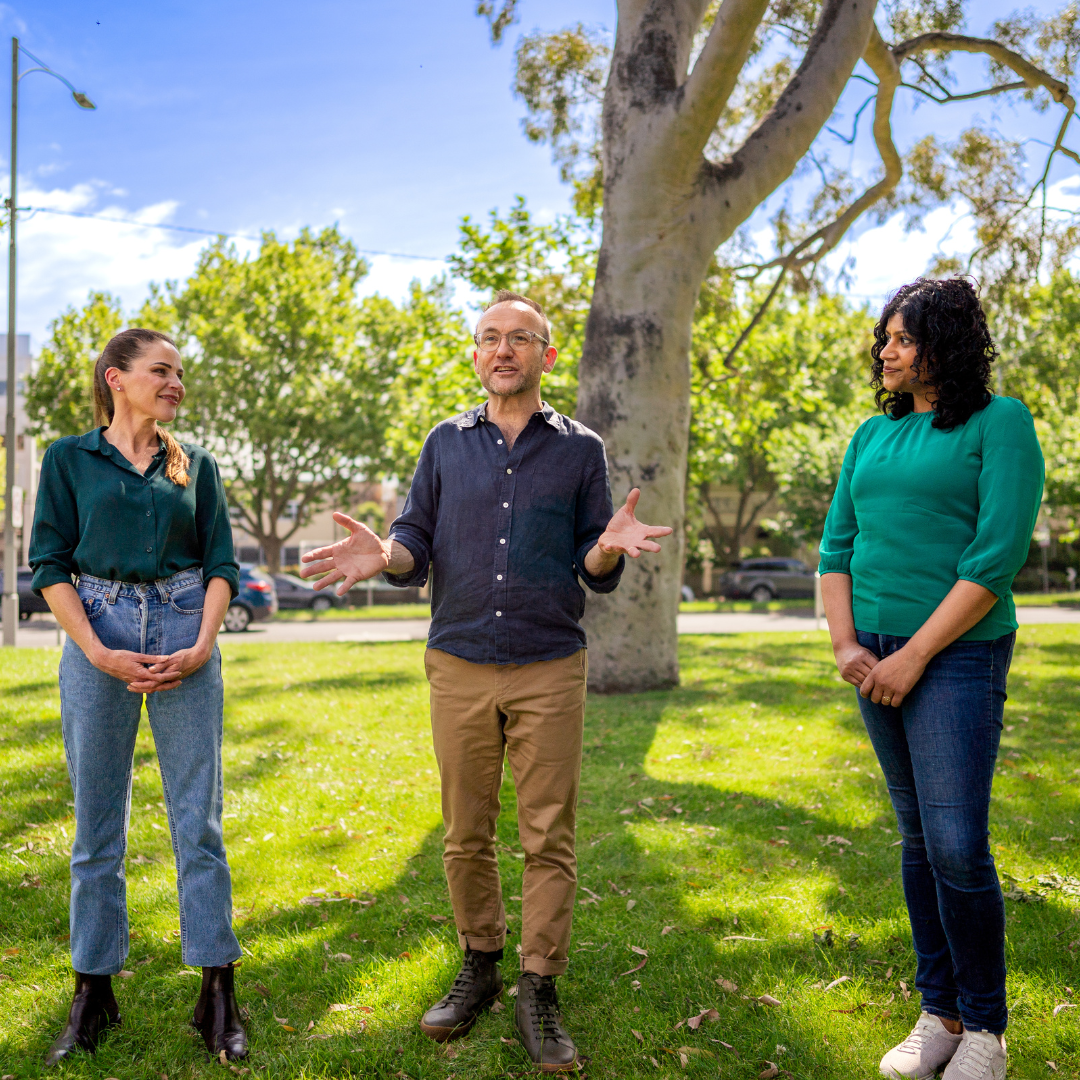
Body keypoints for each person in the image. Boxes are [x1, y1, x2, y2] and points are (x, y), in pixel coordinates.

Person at [300, 290, 672, 1072]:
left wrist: (607, 549)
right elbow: (412, 542)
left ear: (546, 354)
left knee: (548, 836)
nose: (504, 350)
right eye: (490, 338)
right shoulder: (444, 442)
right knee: (466, 831)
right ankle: (480, 961)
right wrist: (388, 556)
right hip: (459, 660)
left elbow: (592, 562)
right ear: (475, 354)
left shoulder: (580, 449)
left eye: (521, 338)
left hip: (548, 663)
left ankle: (540, 983)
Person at [819, 278, 1044, 1080]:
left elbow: (996, 556)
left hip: (954, 654)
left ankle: (986, 1029)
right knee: (917, 838)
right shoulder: (869, 439)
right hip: (871, 652)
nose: (886, 351)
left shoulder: (1001, 424)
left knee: (955, 842)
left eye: (904, 339)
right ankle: (939, 1014)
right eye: (884, 338)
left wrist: (914, 655)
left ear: (945, 343)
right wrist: (847, 643)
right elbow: (835, 547)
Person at [28, 328, 248, 1066]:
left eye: (181, 371)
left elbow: (223, 563)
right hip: (99, 634)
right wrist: (96, 650)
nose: (176, 382)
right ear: (116, 379)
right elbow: (49, 563)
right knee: (96, 827)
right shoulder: (68, 460)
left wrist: (203, 643)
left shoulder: (198, 466)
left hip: (188, 631)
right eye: (162, 370)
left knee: (201, 822)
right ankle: (93, 990)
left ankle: (217, 989)